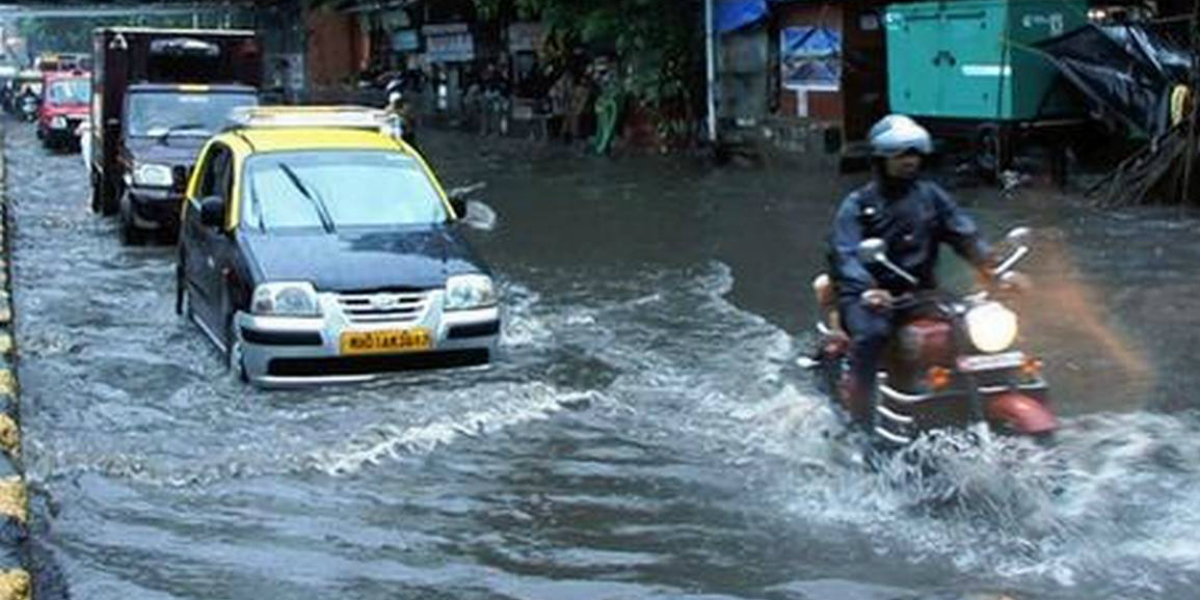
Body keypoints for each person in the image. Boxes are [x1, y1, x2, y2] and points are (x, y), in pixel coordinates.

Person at [826, 114, 1003, 429]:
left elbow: (962, 230)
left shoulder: (931, 196)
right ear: (881, 158)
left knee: (975, 325)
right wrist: (867, 287)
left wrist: (990, 264)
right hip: (871, 299)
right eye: (900, 154)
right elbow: (845, 254)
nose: (909, 161)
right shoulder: (857, 204)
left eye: (914, 153)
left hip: (921, 294)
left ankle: (975, 399)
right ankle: (859, 419)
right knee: (873, 335)